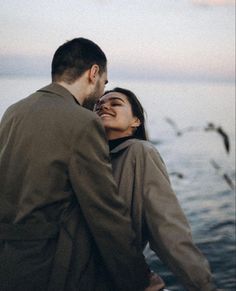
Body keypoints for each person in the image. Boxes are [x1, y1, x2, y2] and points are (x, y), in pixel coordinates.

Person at [0, 38, 154, 291]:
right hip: (51, 268)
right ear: (94, 73)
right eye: (104, 82)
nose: (102, 92)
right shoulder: (82, 120)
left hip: (8, 262)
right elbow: (104, 210)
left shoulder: (13, 111)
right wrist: (137, 277)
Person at [94, 87, 218, 291]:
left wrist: (203, 286)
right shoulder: (89, 158)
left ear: (136, 121)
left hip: (112, 279)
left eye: (115, 103)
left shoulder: (140, 152)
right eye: (98, 105)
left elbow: (166, 226)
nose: (104, 106)